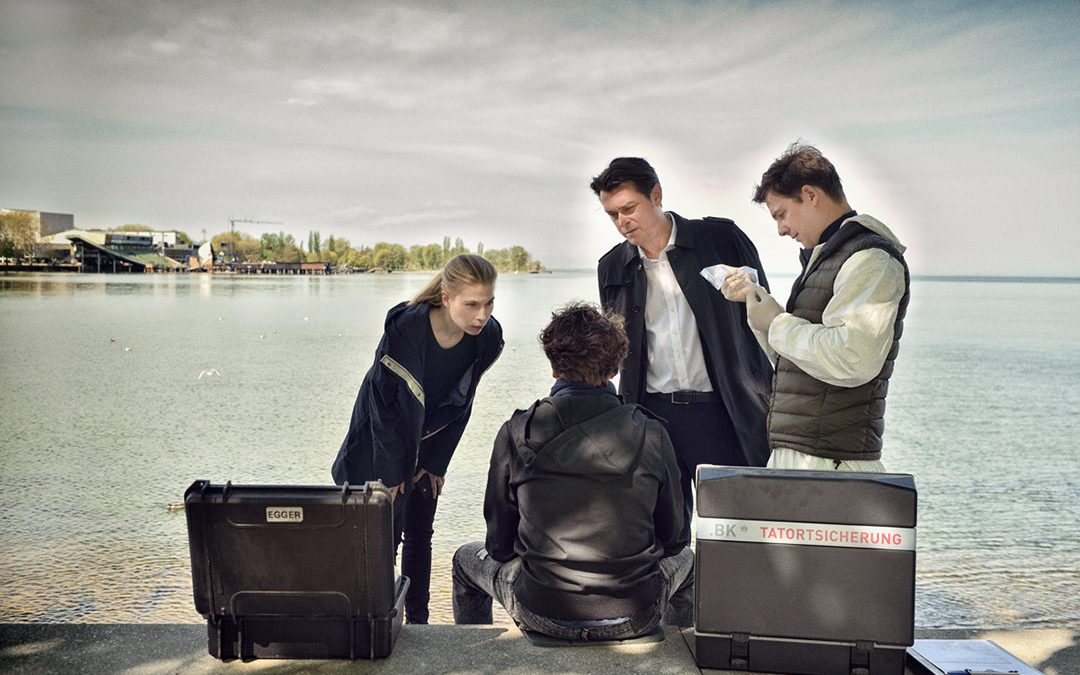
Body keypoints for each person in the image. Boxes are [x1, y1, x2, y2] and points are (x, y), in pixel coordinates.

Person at [452, 303, 692, 640]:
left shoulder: (518, 429)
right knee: (689, 560)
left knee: (465, 560)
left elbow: (499, 547)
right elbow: (675, 539)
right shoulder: (653, 433)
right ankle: (676, 651)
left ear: (553, 367)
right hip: (636, 613)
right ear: (615, 367)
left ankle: (475, 656)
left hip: (542, 611)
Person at [592, 157, 773, 518]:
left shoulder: (721, 239)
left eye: (629, 208)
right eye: (612, 214)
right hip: (653, 418)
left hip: (725, 412)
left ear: (656, 195)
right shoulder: (611, 267)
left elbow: (765, 317)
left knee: (734, 529)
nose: (622, 222)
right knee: (662, 539)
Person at [331, 253, 503, 623]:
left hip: (429, 443)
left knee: (420, 531)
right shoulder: (405, 329)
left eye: (489, 303)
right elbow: (382, 407)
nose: (482, 315)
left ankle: (419, 622)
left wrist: (434, 464)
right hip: (378, 443)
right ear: (446, 299)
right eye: (471, 304)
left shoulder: (486, 337)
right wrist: (392, 474)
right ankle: (374, 618)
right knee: (381, 537)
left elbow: (462, 404)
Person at [722, 142, 910, 471]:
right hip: (808, 457)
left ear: (810, 195)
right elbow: (802, 364)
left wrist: (777, 322)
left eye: (781, 214)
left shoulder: (869, 259)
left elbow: (854, 358)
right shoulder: (828, 257)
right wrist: (760, 315)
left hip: (831, 462)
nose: (780, 230)